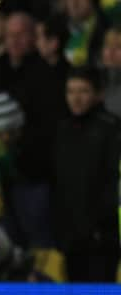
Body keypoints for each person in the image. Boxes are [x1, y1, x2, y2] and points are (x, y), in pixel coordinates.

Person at [52, 66, 121, 282]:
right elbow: (60, 183)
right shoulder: (62, 130)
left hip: (101, 238)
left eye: (83, 91)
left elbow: (111, 182)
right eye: (71, 91)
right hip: (71, 238)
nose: (76, 98)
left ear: (98, 93)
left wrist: (100, 227)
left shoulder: (111, 130)